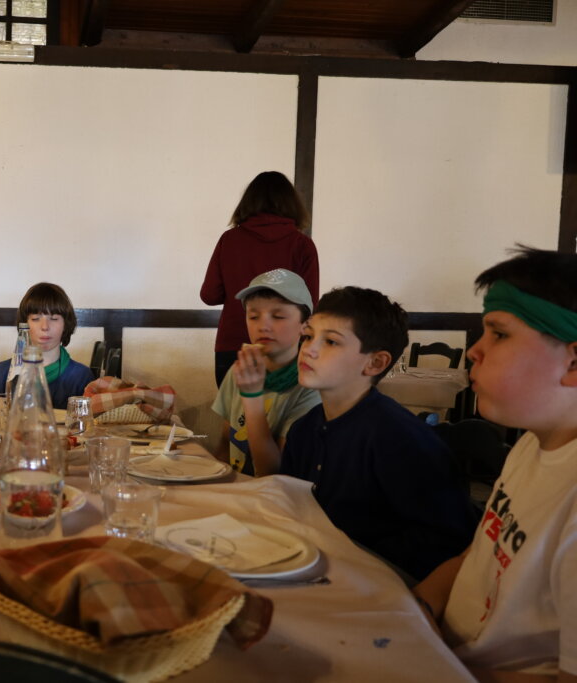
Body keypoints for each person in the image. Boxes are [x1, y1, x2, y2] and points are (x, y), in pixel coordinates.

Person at [413, 248, 577, 681]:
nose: (474, 351)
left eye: (499, 334)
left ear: (574, 362)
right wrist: (418, 606)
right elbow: (479, 553)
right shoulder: (532, 445)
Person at [280, 286, 475, 581]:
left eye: (330, 341)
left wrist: (353, 558)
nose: (308, 349)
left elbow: (448, 539)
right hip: (314, 567)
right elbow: (291, 505)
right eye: (308, 336)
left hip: (380, 582)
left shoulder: (400, 438)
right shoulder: (304, 429)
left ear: (375, 363)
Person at [200, 171, 320, 387]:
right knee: (283, 409)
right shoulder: (302, 245)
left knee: (235, 408)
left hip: (233, 343)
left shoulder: (229, 240)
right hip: (285, 349)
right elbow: (310, 304)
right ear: (292, 204)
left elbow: (209, 295)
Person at [211, 269, 320, 475]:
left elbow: (273, 472)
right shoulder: (240, 370)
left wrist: (252, 395)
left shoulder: (310, 385)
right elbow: (225, 444)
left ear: (305, 325)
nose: (263, 326)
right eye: (253, 316)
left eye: (278, 316)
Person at [0, 282, 94, 411]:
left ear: (66, 324)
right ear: (24, 324)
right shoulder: (4, 371)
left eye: (54, 319)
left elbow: (85, 422)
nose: (45, 327)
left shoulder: (81, 376)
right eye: (36, 318)